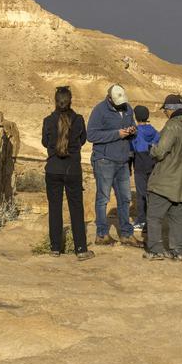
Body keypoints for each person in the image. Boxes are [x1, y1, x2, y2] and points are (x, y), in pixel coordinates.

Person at [145, 94, 182, 260]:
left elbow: (160, 152)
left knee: (154, 216)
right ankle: (178, 251)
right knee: (177, 218)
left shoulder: (172, 126)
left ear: (171, 110)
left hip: (165, 180)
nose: (165, 113)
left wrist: (152, 149)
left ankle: (155, 250)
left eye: (165, 110)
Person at [42, 87, 94, 261]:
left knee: (55, 208)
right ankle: (81, 249)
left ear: (55, 101)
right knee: (76, 209)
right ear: (71, 100)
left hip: (53, 169)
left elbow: (45, 142)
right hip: (72, 170)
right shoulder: (78, 120)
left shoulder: (48, 120)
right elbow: (82, 140)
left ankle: (55, 248)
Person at [87, 84, 140, 246]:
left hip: (123, 160)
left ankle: (126, 234)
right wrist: (117, 134)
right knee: (103, 199)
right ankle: (101, 234)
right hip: (104, 160)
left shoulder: (128, 108)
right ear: (109, 98)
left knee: (125, 199)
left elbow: (134, 127)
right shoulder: (99, 110)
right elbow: (92, 135)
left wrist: (132, 131)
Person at [130, 105, 160, 234]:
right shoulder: (153, 131)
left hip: (140, 166)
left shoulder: (135, 131)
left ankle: (142, 220)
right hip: (152, 164)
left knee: (141, 195)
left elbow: (131, 149)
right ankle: (152, 219)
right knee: (150, 194)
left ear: (136, 117)